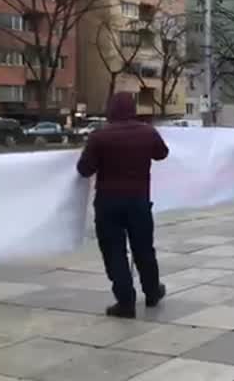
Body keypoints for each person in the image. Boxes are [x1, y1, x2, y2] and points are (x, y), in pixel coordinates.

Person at [77, 92, 169, 319]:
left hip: (108, 202)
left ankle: (125, 301)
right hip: (138, 201)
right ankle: (152, 291)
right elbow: (162, 154)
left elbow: (84, 169)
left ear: (111, 110)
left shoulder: (99, 136)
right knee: (144, 249)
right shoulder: (147, 132)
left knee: (114, 252)